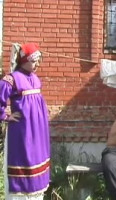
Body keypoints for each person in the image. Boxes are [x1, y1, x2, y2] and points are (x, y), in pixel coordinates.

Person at [0, 43, 50, 200]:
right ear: (24, 60)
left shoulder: (35, 78)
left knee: (37, 159)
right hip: (23, 132)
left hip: (39, 131)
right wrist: (5, 116)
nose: (37, 65)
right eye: (34, 61)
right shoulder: (11, 79)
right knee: (24, 161)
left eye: (38, 61)